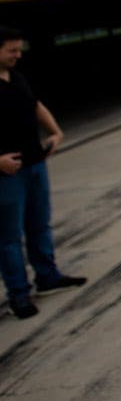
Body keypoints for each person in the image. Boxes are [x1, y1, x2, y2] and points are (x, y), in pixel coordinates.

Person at [0, 26, 87, 320]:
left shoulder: (17, 77)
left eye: (18, 49)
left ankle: (48, 278)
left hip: (35, 163)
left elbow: (35, 105)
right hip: (7, 174)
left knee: (40, 226)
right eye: (11, 50)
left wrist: (56, 131)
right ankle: (19, 296)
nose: (17, 54)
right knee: (9, 238)